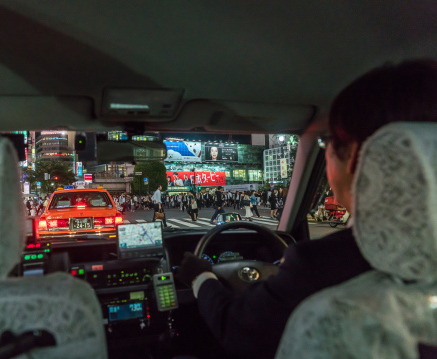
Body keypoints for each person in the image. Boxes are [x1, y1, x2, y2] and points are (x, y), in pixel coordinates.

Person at [176, 59, 437, 359]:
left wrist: (201, 277)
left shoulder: (321, 265)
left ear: (354, 157)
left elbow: (238, 330)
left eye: (327, 143)